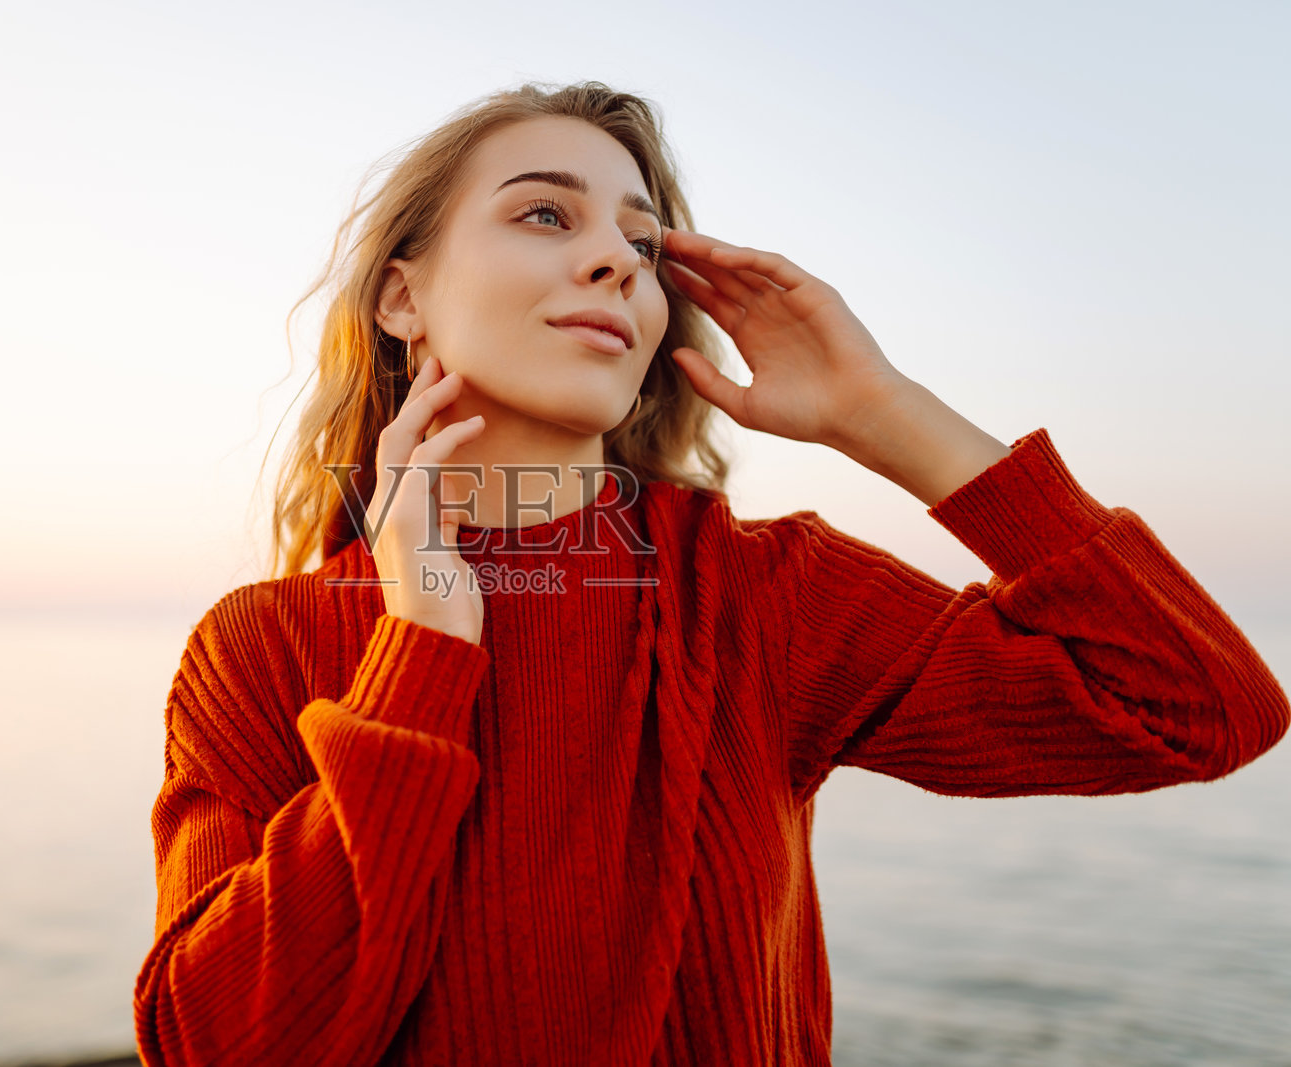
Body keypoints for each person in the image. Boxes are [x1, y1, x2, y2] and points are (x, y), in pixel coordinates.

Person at [131, 81, 1289, 1066]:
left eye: (642, 247)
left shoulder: (761, 593)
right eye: (545, 212)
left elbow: (1198, 709)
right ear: (401, 297)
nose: (612, 261)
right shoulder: (263, 643)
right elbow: (206, 1043)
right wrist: (422, 650)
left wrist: (884, 413)